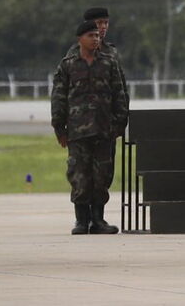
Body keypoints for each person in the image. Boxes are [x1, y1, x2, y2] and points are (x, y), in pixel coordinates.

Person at [51, 20, 129, 235]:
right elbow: (59, 96)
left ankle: (98, 220)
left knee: (102, 175)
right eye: (91, 36)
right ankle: (81, 221)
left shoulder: (108, 63)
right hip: (77, 131)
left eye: (97, 36)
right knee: (79, 175)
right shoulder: (68, 64)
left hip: (104, 129)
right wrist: (59, 127)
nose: (95, 39)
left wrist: (120, 123)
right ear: (80, 39)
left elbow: (119, 94)